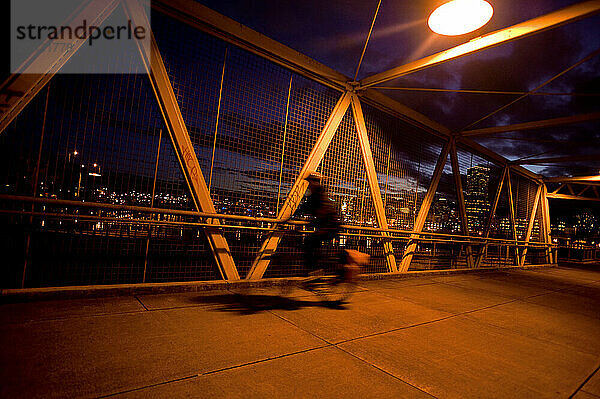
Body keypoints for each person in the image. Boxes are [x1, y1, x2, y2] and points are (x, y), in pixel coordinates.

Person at [294, 172, 341, 277]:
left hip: (330, 225)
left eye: (310, 182)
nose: (309, 184)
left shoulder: (318, 193)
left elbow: (310, 208)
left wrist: (294, 214)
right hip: (329, 224)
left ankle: (317, 268)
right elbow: (309, 208)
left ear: (314, 182)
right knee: (315, 244)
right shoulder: (317, 193)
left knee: (309, 241)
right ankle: (319, 267)